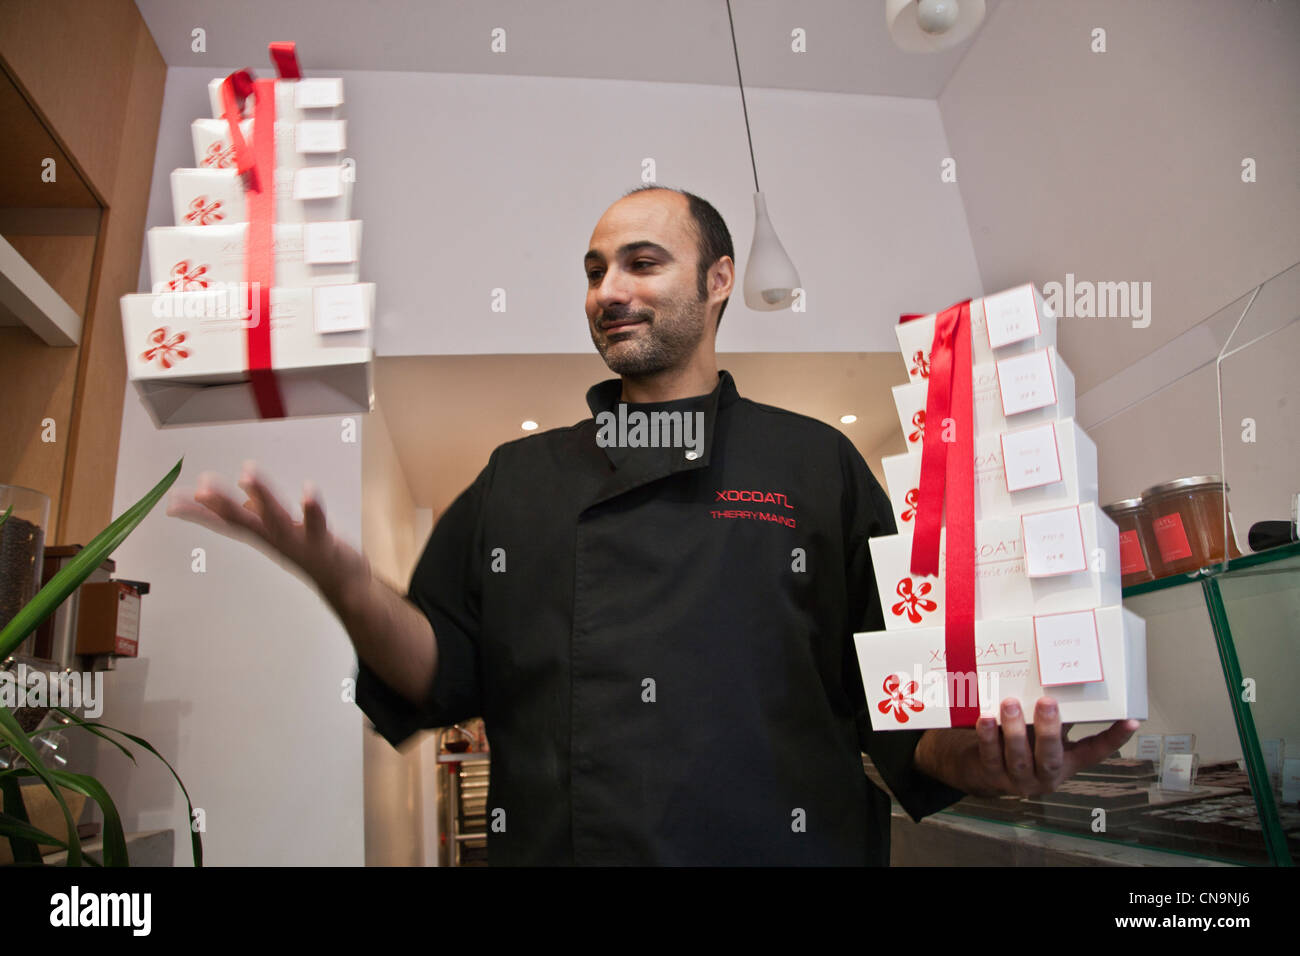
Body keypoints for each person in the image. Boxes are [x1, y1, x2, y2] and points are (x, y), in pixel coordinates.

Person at [168, 184, 1139, 865]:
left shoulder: (812, 464)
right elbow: (437, 672)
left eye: (640, 261)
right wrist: (341, 579)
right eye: (594, 270)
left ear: (719, 279)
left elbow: (893, 699)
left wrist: (970, 757)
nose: (608, 290)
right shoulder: (518, 478)